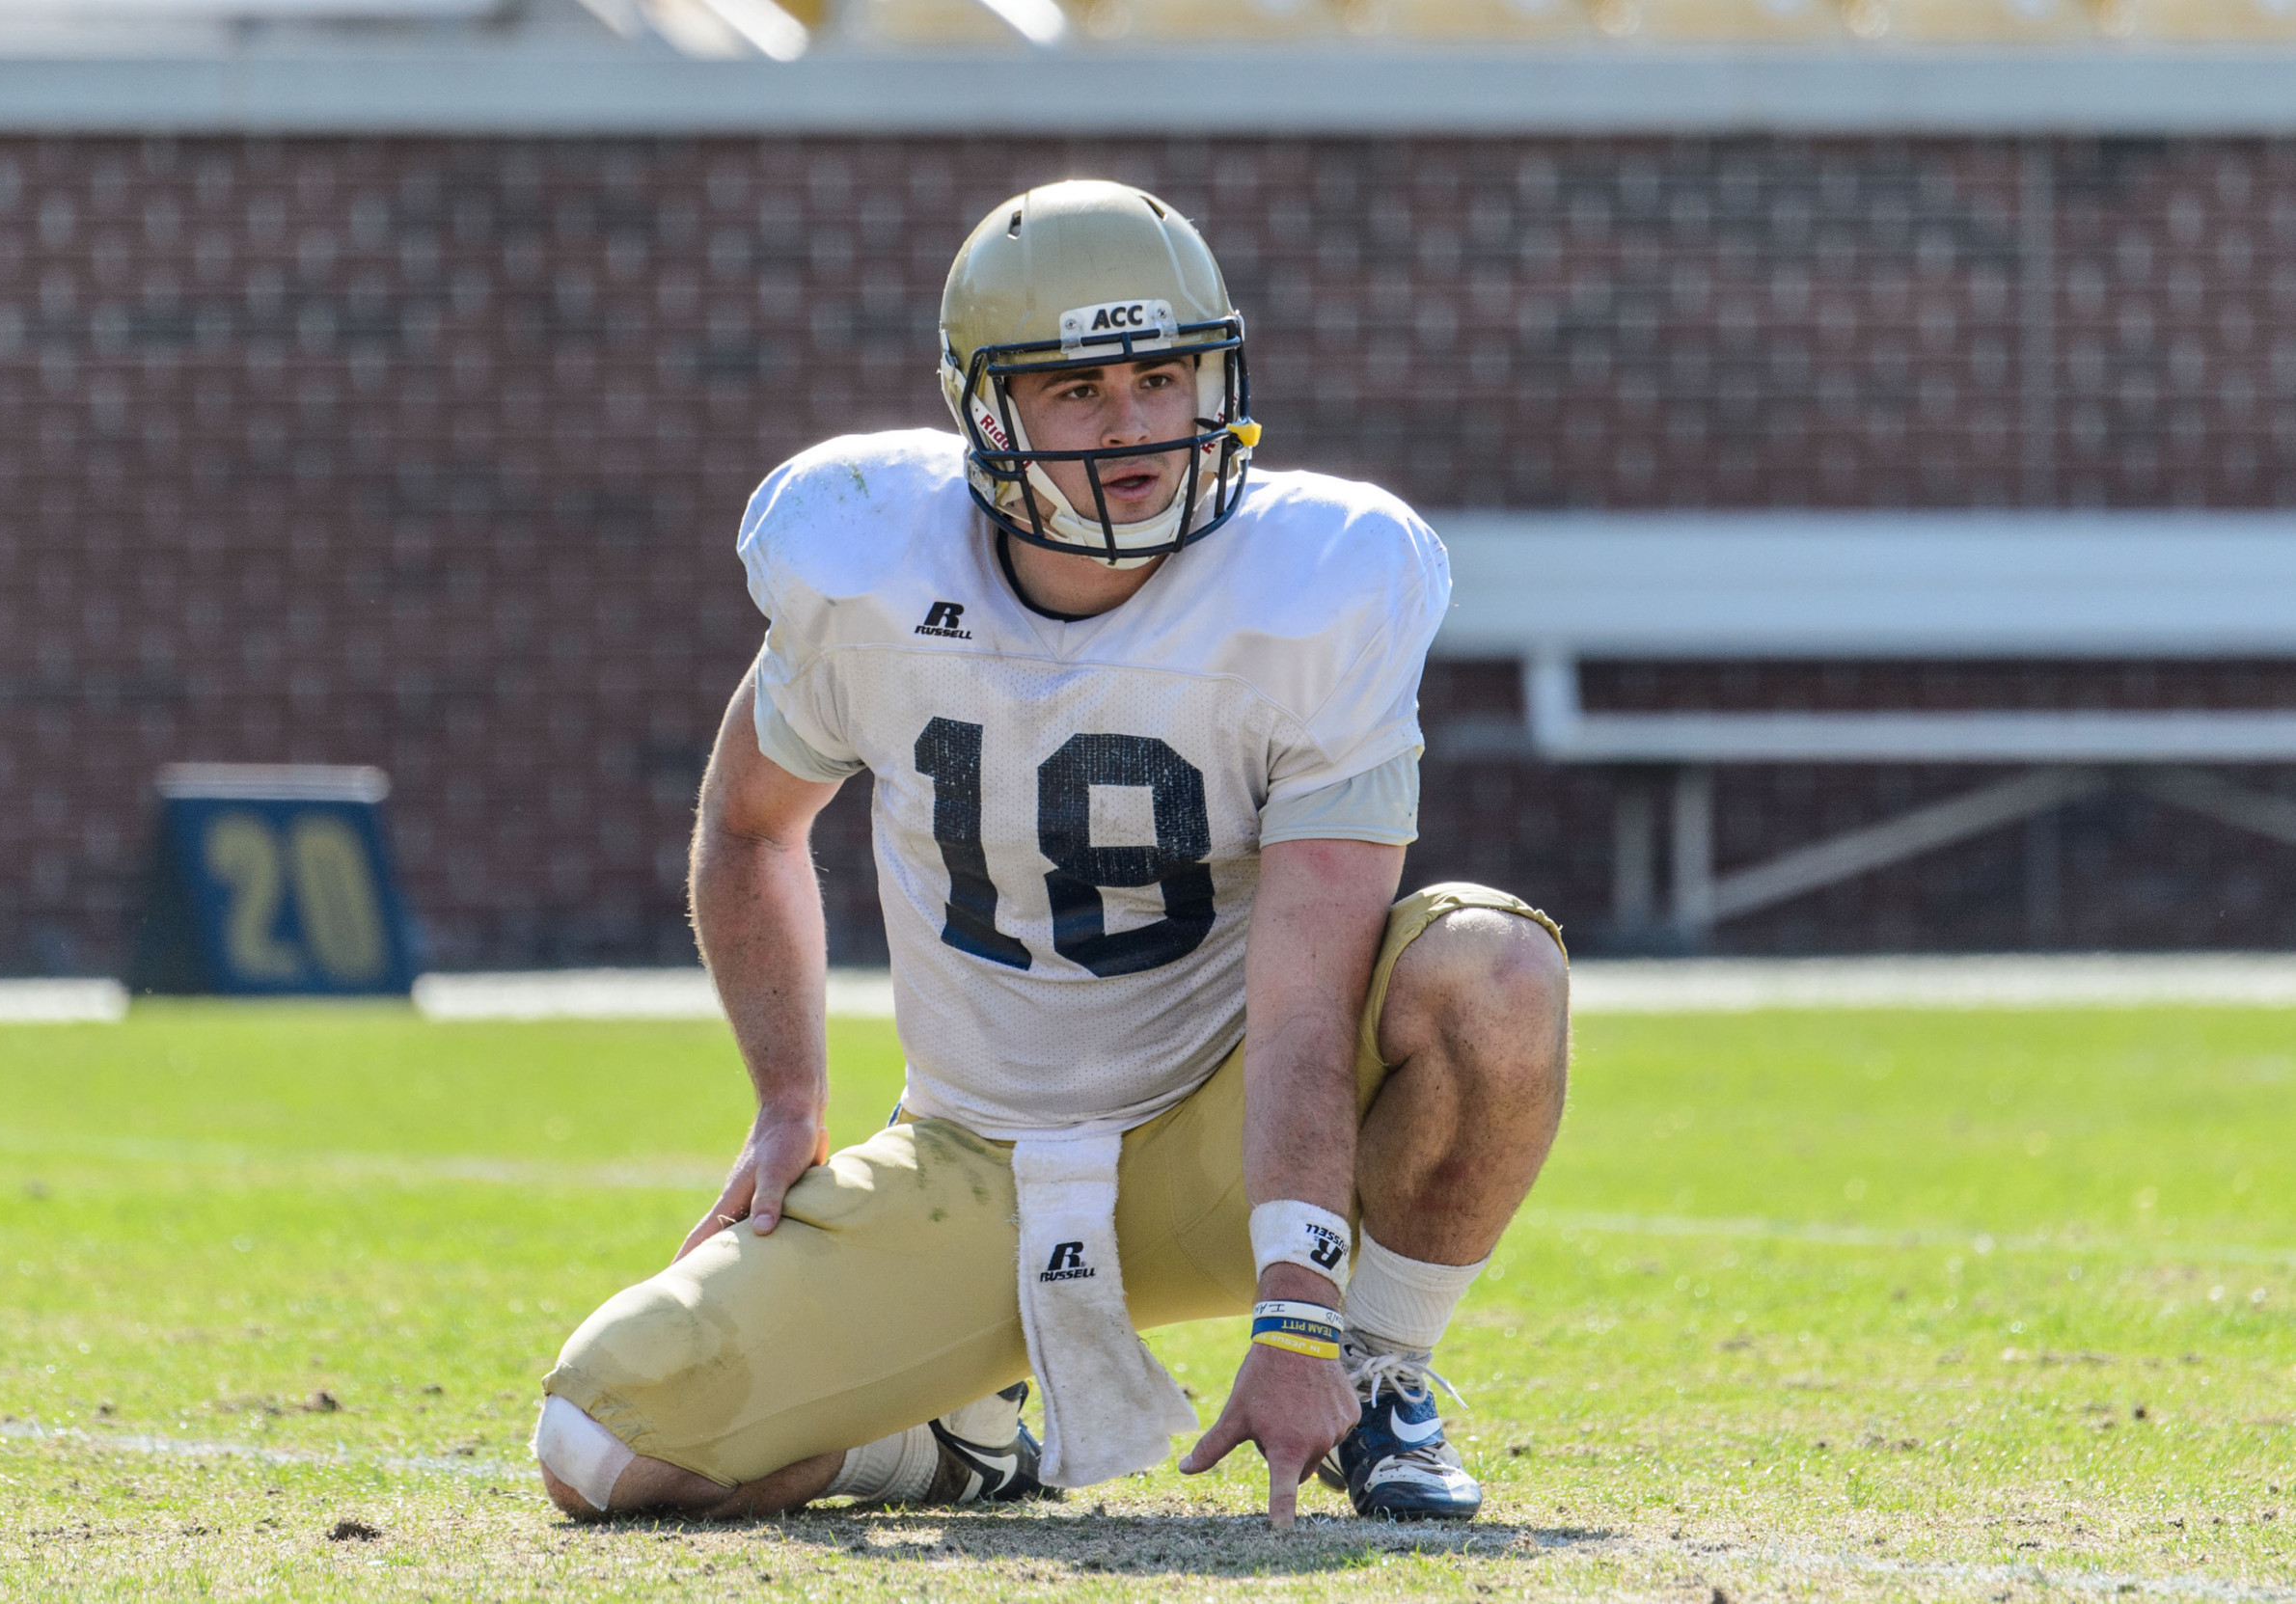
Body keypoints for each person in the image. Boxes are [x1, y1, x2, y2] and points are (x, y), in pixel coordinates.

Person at [532, 178, 1570, 1529]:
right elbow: (748, 825)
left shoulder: (1318, 582)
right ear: (983, 409)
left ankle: (1382, 1374)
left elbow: (1310, 990)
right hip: (975, 1154)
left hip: (1221, 1123)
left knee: (1489, 972)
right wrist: (790, 1101)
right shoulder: (870, 563)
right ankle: (945, 1452)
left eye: (1161, 376)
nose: (1133, 425)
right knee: (602, 1444)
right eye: (1077, 391)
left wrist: (1303, 1312)